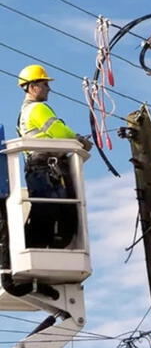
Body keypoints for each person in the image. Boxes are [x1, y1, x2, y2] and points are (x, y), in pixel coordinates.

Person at [17, 64, 92, 248]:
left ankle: (38, 247)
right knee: (56, 211)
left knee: (45, 211)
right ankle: (44, 247)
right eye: (45, 84)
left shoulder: (24, 113)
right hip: (45, 169)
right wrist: (80, 140)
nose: (49, 88)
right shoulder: (37, 108)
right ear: (33, 86)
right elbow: (59, 132)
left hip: (37, 169)